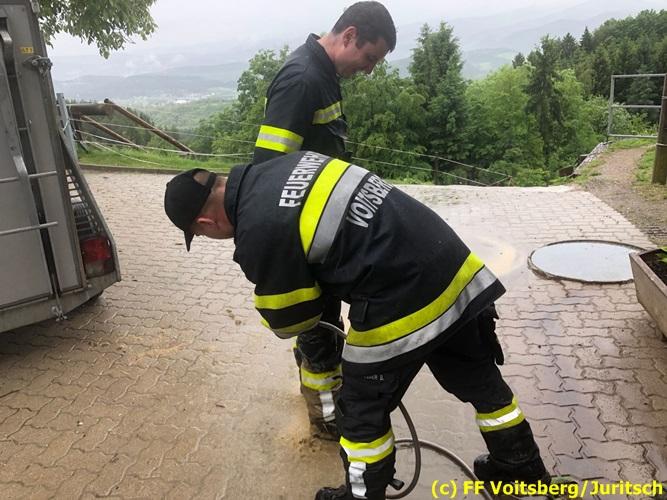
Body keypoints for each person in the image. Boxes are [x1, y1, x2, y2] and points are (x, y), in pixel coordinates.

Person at [163, 151, 552, 500]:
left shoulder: (257, 230)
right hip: (455, 268)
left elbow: (293, 320)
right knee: (479, 380)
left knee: (360, 409)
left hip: (402, 295)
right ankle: (520, 468)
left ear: (205, 222)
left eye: (200, 233)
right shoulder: (286, 165)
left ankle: (363, 493)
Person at [251, 1, 397, 440]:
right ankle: (327, 418)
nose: (369, 70)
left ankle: (322, 395)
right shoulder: (302, 79)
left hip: (320, 226)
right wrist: (290, 254)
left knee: (322, 326)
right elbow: (269, 169)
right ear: (349, 35)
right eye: (369, 57)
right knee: (321, 330)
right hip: (304, 233)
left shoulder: (323, 73)